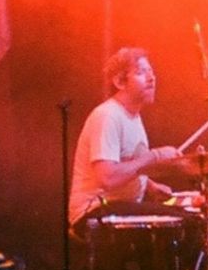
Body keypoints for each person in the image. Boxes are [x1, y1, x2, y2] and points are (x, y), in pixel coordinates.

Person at [68, 47, 182, 224]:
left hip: (118, 208)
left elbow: (128, 164)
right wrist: (155, 156)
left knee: (181, 213)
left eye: (151, 71)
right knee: (183, 220)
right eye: (141, 72)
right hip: (94, 211)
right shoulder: (108, 115)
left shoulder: (134, 117)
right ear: (120, 82)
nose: (151, 78)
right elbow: (107, 178)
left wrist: (150, 186)